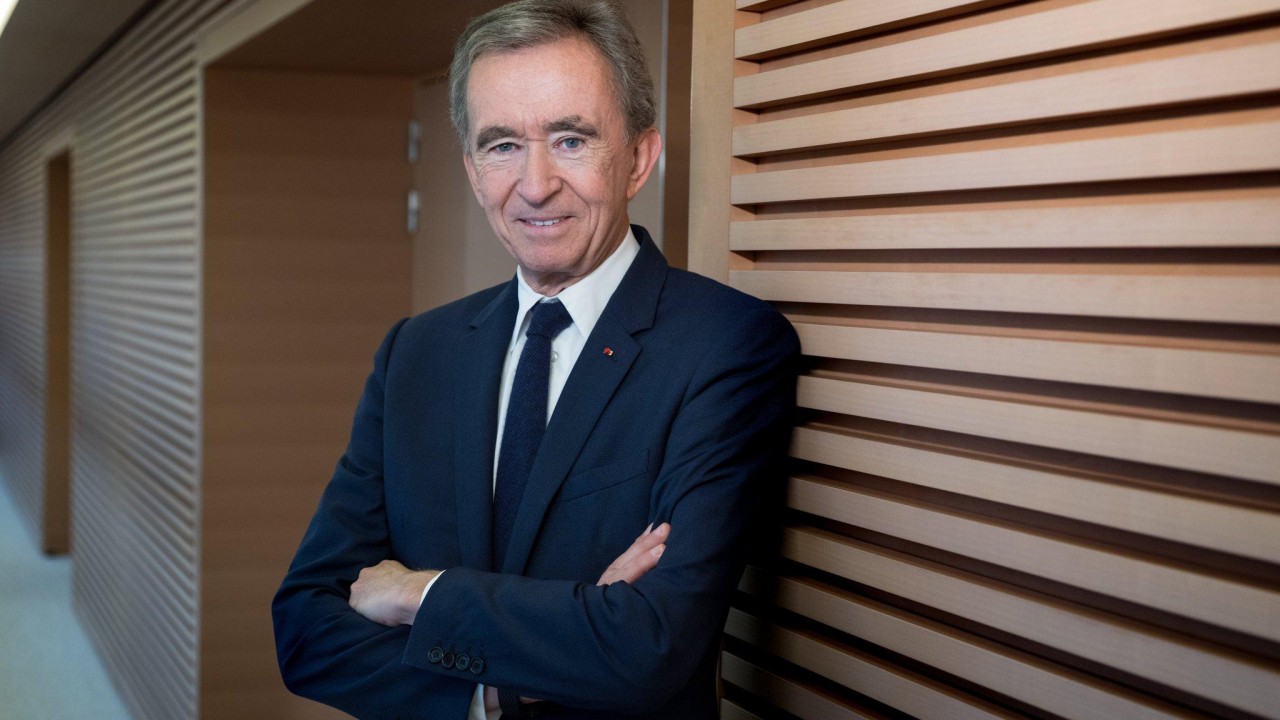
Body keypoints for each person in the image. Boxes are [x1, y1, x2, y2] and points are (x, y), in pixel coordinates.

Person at [271, 1, 798, 718]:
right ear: (472, 170)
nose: (536, 183)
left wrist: (421, 594)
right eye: (502, 146)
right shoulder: (416, 354)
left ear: (639, 158)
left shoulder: (723, 345)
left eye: (571, 140)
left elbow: (650, 645)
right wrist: (511, 681)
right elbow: (306, 629)